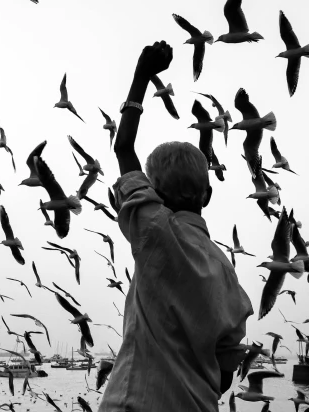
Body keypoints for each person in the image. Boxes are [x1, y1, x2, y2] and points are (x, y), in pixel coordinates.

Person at [99, 41, 253, 412]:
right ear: (208, 194)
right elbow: (224, 374)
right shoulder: (227, 272)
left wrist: (142, 76)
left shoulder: (155, 230)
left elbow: (123, 148)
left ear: (154, 192)